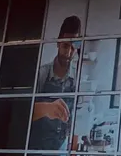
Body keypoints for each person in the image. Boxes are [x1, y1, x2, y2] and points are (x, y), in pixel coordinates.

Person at [29, 15, 82, 151]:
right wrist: (46, 108)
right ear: (58, 43)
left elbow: (78, 119)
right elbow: (23, 111)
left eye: (73, 47)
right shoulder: (40, 74)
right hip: (35, 149)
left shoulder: (78, 78)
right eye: (65, 46)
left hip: (62, 149)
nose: (69, 52)